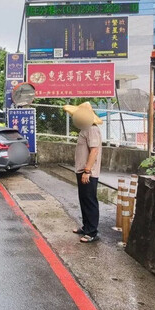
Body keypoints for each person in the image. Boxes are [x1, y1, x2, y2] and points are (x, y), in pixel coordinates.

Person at [63, 102, 103, 243]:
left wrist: (87, 170)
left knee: (90, 201)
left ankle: (92, 232)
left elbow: (94, 150)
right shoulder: (85, 128)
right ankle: (86, 227)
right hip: (82, 170)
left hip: (88, 172)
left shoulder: (92, 129)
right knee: (84, 200)